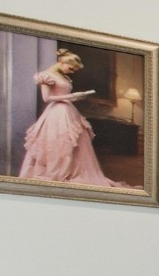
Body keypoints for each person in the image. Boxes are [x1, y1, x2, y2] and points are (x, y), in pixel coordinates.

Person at [17, 49, 124, 186]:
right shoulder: (46, 75)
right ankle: (56, 171)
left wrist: (77, 96)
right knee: (59, 142)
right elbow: (47, 98)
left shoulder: (63, 76)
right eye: (71, 68)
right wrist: (73, 96)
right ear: (62, 62)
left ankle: (72, 170)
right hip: (56, 114)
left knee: (76, 142)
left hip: (69, 111)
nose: (72, 71)